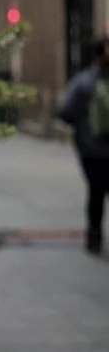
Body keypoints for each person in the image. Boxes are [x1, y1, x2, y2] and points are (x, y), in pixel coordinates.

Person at [57, 37, 109, 255]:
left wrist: (83, 127)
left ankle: (94, 237)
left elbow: (64, 111)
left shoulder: (82, 81)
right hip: (96, 148)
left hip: (91, 148)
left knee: (96, 193)